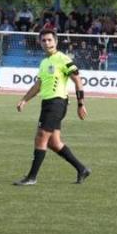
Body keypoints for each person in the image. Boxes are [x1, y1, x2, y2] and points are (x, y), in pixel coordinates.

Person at [13, 29, 91, 186]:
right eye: (43, 40)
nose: (47, 43)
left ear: (56, 41)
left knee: (41, 137)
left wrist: (81, 104)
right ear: (40, 43)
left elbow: (78, 80)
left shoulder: (63, 59)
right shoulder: (44, 62)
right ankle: (82, 169)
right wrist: (24, 100)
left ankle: (31, 177)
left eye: (49, 40)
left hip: (57, 103)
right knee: (54, 143)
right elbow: (39, 85)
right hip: (47, 103)